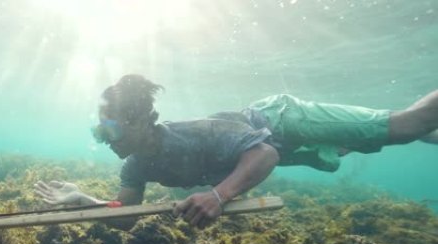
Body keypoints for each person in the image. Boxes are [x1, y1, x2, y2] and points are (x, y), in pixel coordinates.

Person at [35, 74, 438, 229]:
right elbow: (123, 217)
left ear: (143, 120)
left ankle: (422, 125)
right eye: (98, 130)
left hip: (283, 121)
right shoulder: (137, 165)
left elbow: (263, 156)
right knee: (368, 141)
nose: (105, 140)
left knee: (406, 126)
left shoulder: (194, 133)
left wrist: (217, 195)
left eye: (110, 128)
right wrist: (81, 200)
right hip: (280, 145)